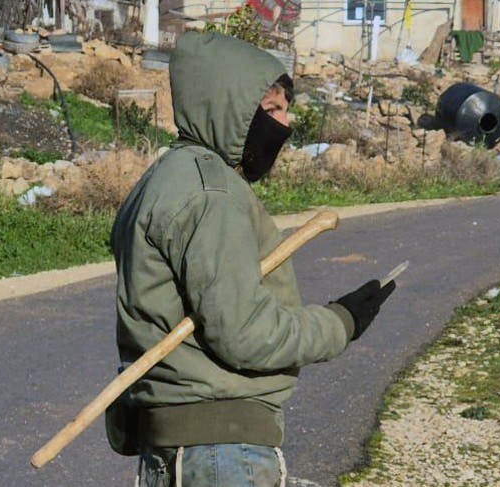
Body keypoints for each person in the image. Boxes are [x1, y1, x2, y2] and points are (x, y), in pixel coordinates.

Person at [109, 31, 396, 487]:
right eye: (272, 110)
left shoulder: (161, 179)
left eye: (286, 109)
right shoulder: (210, 193)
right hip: (221, 455)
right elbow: (243, 332)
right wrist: (340, 323)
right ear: (229, 108)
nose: (285, 123)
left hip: (177, 449)